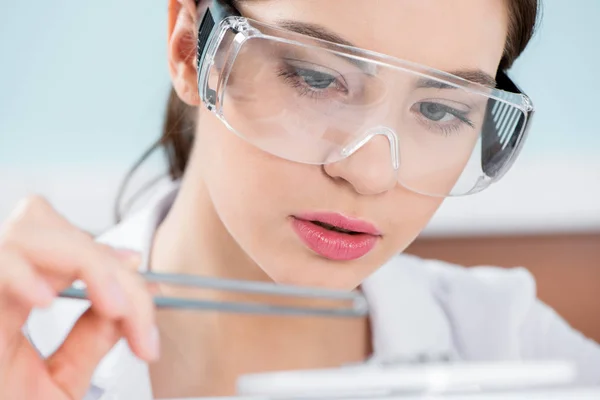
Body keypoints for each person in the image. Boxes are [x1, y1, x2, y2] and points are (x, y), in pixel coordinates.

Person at [0, 0, 598, 398]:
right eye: (315, 78)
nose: (369, 175)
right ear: (190, 48)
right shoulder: (24, 342)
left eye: (440, 110)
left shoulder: (511, 348)